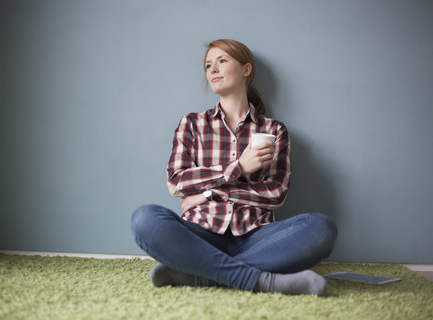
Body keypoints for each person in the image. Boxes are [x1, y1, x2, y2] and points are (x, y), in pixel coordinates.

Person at [131, 39, 337, 296]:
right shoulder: (192, 124)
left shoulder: (274, 130)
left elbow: (276, 193)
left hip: (257, 237)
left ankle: (201, 274)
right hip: (201, 232)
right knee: (145, 219)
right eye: (208, 65)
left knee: (320, 228)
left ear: (246, 69)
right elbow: (176, 180)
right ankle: (264, 281)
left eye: (222, 61)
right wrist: (237, 166)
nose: (213, 69)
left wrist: (210, 193)